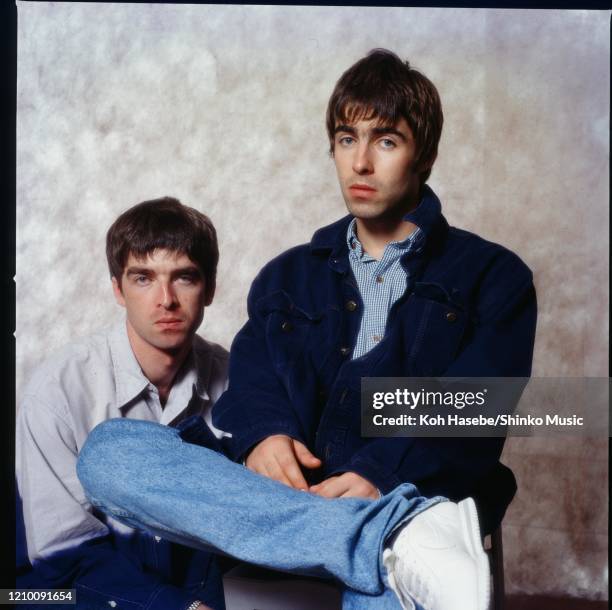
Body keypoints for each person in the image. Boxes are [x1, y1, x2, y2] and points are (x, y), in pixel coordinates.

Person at [77, 48, 536, 610]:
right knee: (108, 452)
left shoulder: (494, 275)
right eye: (347, 139)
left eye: (385, 141)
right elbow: (254, 379)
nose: (360, 163)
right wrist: (266, 436)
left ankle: (385, 530)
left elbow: (475, 407)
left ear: (425, 156)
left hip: (413, 491)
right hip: (304, 505)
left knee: (383, 591)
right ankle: (382, 539)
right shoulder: (287, 274)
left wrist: (377, 475)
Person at [16, 197, 228, 610]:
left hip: (194, 588)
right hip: (51, 589)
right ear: (118, 288)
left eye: (184, 277)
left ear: (210, 288)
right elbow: (61, 555)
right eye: (143, 278)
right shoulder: (57, 393)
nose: (165, 300)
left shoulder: (237, 381)